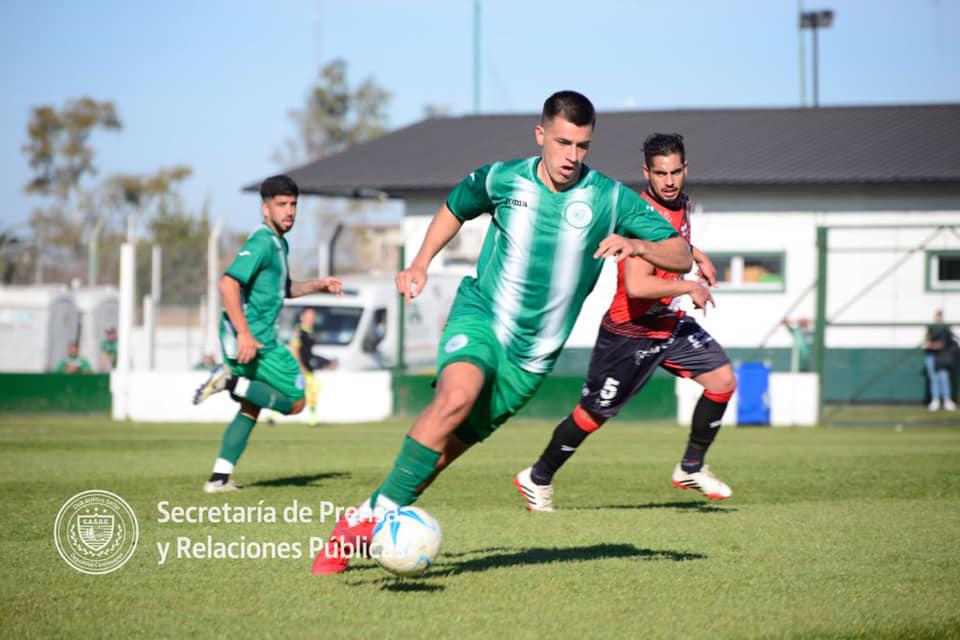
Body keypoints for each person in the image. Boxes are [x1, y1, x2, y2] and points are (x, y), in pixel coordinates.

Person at [311, 91, 692, 575]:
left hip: (531, 360)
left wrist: (638, 244)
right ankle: (368, 526)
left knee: (439, 457)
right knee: (455, 397)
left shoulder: (609, 197)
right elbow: (456, 205)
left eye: (582, 146)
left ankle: (358, 521)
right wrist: (420, 263)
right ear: (540, 135)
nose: (572, 156)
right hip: (482, 317)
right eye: (563, 143)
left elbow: (680, 253)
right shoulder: (502, 178)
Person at [514, 133, 737, 512]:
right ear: (646, 173)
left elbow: (675, 240)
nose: (669, 181)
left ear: (685, 169)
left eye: (675, 172)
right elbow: (637, 286)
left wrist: (696, 256)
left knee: (722, 381)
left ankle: (691, 468)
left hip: (666, 323)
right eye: (660, 173)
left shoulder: (681, 203)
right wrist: (689, 284)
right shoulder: (639, 218)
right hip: (629, 332)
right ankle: (537, 476)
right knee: (592, 415)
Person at [192, 174, 343, 493]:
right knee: (297, 402)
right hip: (256, 342)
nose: (289, 211)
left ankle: (219, 478)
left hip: (252, 339)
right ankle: (228, 381)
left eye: (293, 204)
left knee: (251, 406)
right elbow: (228, 284)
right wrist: (245, 334)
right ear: (265, 209)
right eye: (281, 204)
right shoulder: (262, 242)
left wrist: (319, 285)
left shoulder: (279, 243)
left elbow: (283, 288)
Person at [287, 307, 337, 426]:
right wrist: (300, 366)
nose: (311, 319)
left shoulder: (310, 332)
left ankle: (312, 418)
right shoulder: (298, 332)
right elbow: (294, 350)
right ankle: (272, 415)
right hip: (301, 369)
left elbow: (309, 353)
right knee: (293, 393)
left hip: (308, 368)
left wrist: (326, 362)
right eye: (309, 316)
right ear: (302, 317)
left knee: (312, 392)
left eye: (313, 317)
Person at [923, 309, 957, 412]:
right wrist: (933, 345)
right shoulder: (930, 328)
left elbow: (946, 343)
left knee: (944, 378)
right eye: (937, 316)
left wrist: (936, 345)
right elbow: (926, 342)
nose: (939, 318)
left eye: (940, 316)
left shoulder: (946, 329)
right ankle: (935, 401)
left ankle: (947, 401)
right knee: (934, 379)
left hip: (943, 357)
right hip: (931, 357)